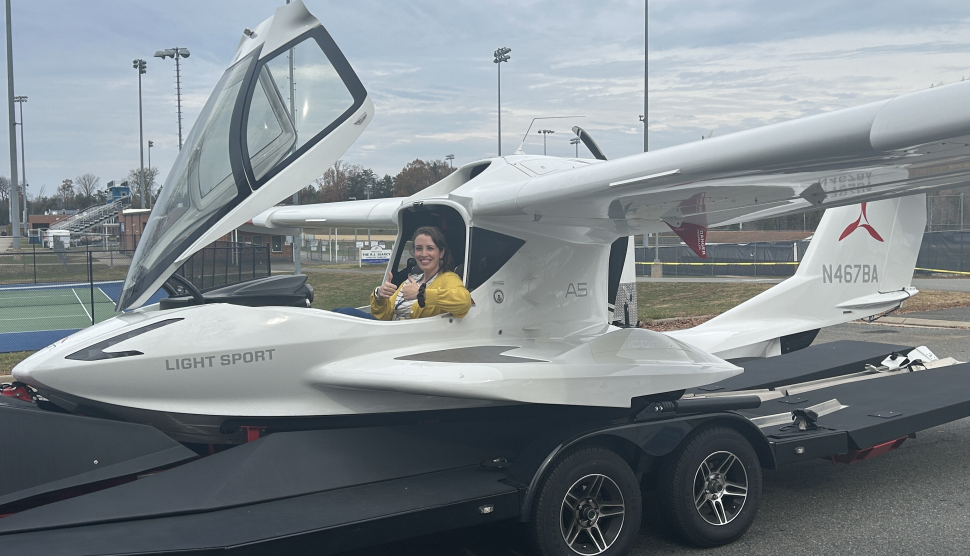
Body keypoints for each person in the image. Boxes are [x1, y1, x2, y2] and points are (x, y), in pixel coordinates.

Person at [332, 226, 470, 320]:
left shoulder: (448, 278)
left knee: (343, 314)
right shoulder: (410, 280)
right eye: (418, 248)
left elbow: (464, 302)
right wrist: (379, 295)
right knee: (336, 314)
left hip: (409, 340)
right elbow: (383, 317)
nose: (423, 254)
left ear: (441, 253)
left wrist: (422, 294)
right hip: (392, 335)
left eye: (430, 248)